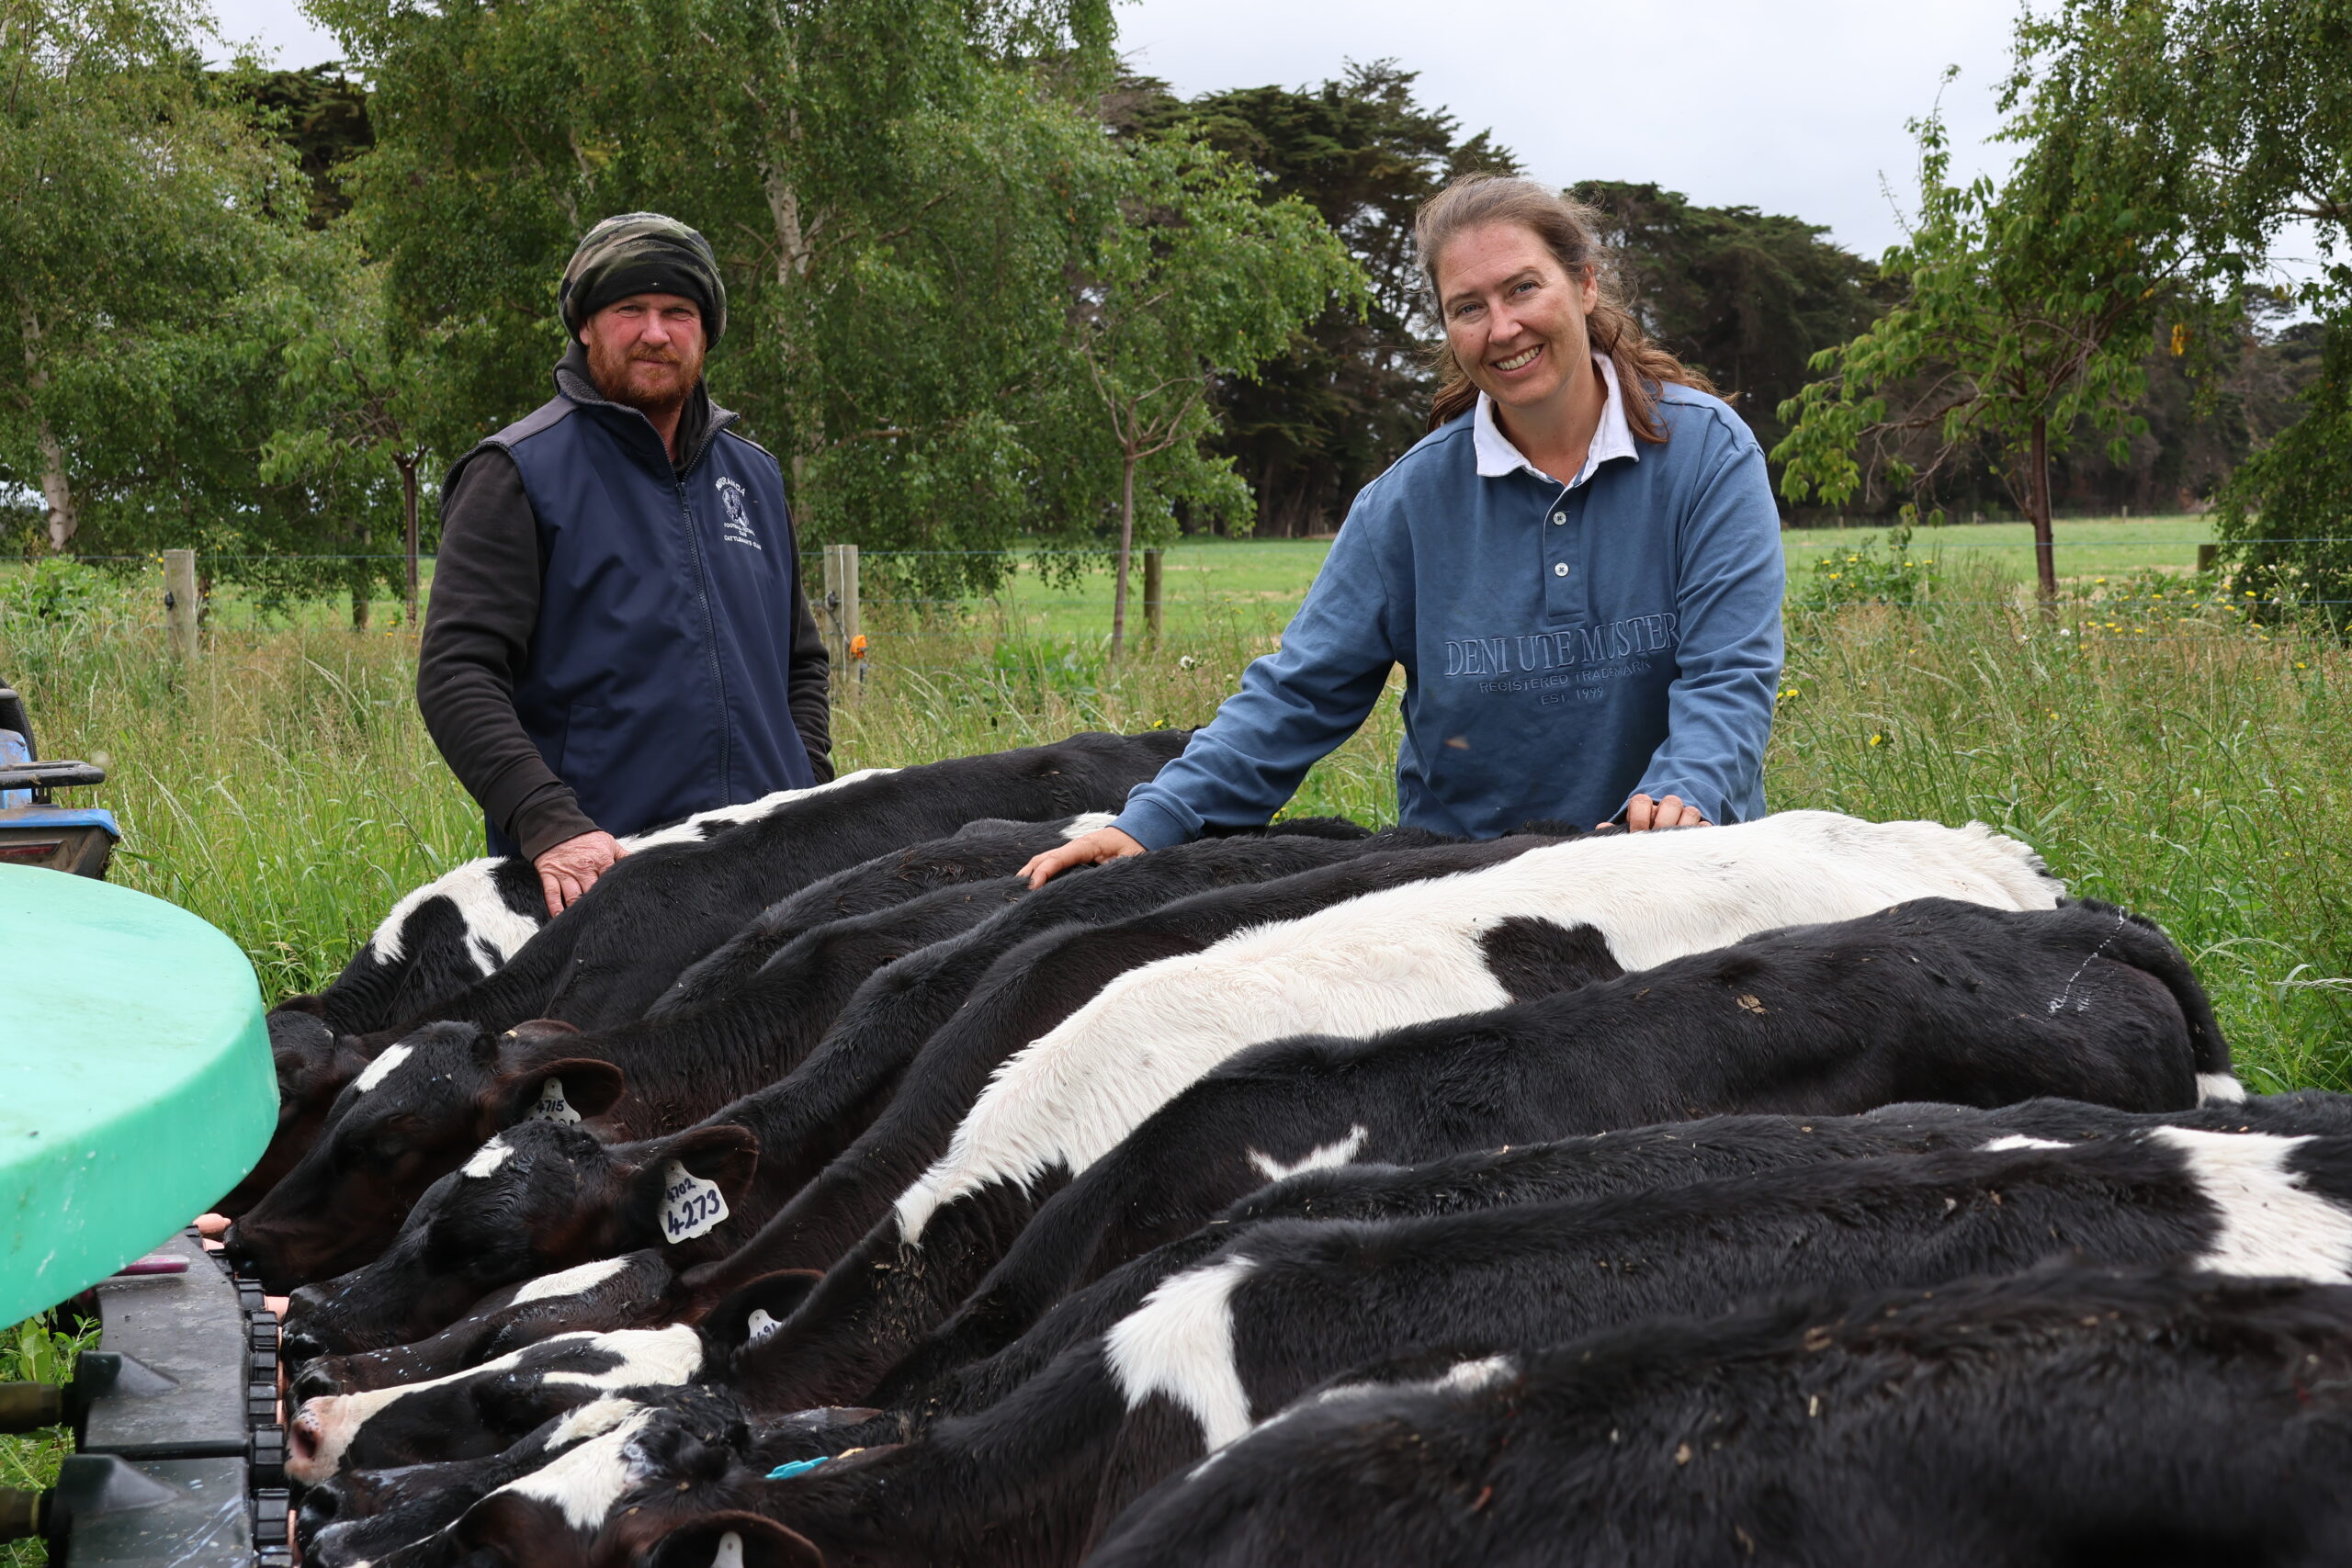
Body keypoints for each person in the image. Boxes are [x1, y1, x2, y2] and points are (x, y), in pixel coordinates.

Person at [1023, 175, 1783, 889]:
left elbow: (1729, 674)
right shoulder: (1408, 502)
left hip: (1672, 871)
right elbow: (1298, 692)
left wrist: (1686, 789)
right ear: (1448, 326)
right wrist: (1151, 823)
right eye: (1469, 306)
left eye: (1523, 288)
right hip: (1472, 899)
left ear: (1583, 284)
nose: (1503, 327)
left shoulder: (1707, 454)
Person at [421, 212, 832, 918]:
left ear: (704, 332)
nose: (655, 332)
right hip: (608, 879)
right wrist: (551, 823)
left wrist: (811, 791)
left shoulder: (754, 477)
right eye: (629, 310)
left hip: (772, 870)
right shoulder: (517, 472)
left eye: (678, 312)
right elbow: (458, 675)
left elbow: (800, 662)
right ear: (585, 325)